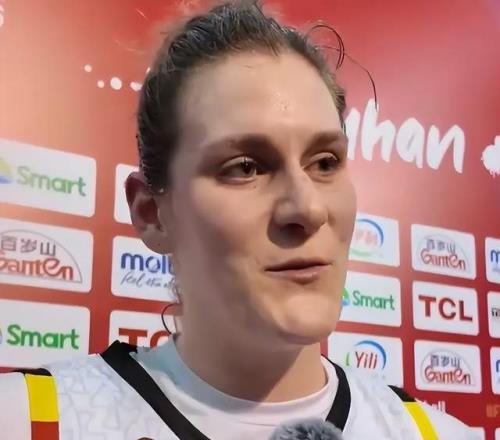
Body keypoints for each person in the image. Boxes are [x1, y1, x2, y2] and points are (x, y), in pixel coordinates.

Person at [0, 1, 478, 439]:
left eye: (325, 161)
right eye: (245, 167)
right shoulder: (31, 420)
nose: (307, 208)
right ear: (151, 213)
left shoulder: (436, 434)